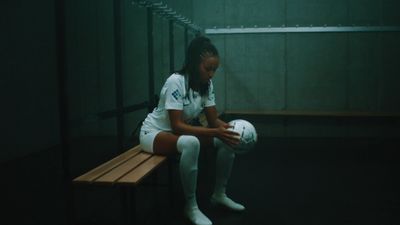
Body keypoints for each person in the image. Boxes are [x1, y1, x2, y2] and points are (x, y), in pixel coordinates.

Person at [139, 36, 244, 225]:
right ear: (195, 64)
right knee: (191, 142)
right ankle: (191, 206)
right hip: (153, 134)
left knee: (227, 140)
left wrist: (233, 130)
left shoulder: (206, 85)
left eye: (214, 70)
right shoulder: (176, 81)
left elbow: (213, 121)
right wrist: (215, 132)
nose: (211, 74)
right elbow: (177, 126)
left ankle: (219, 194)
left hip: (176, 135)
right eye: (208, 68)